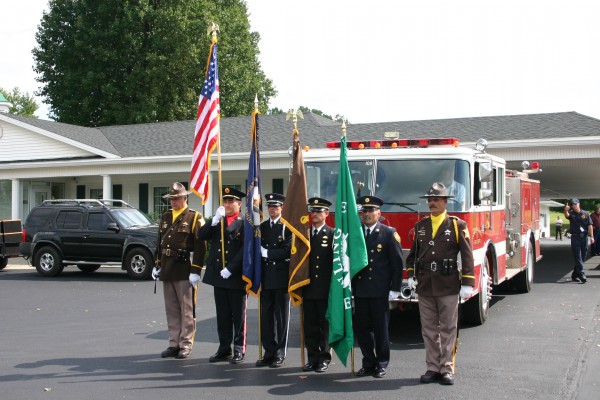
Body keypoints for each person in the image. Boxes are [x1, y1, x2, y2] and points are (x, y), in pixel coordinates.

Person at [406, 182, 475, 385]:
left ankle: (446, 369)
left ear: (445, 202)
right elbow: (412, 256)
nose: (432, 202)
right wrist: (411, 274)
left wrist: (468, 282)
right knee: (428, 329)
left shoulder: (457, 225)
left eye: (436, 199)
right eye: (430, 199)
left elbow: (467, 255)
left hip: (448, 285)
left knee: (447, 328)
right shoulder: (420, 227)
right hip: (426, 286)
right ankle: (432, 367)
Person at [153, 182, 206, 359]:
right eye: (171, 199)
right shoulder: (166, 216)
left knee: (186, 310)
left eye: (176, 199)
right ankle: (173, 343)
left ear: (185, 198)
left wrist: (196, 270)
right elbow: (160, 242)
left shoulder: (194, 217)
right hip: (168, 268)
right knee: (172, 309)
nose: (173, 202)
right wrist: (157, 264)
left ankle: (185, 344)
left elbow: (201, 246)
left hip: (184, 270)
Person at [353, 195, 404, 379]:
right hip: (360, 290)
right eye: (364, 211)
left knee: (380, 329)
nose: (366, 214)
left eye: (370, 210)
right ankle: (368, 362)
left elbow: (397, 264)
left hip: (379, 290)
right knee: (362, 330)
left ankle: (382, 362)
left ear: (379, 213)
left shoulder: (389, 233)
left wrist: (395, 288)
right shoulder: (356, 233)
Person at [197, 187, 247, 364]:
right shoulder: (218, 220)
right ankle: (224, 348)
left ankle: (239, 349)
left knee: (238, 316)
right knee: (223, 314)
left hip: (235, 275)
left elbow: (245, 250)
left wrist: (231, 268)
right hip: (219, 274)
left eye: (230, 201)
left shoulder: (244, 222)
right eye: (225, 201)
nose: (226, 204)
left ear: (239, 204)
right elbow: (200, 235)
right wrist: (214, 219)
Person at [255, 193, 292, 368]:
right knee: (266, 318)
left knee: (281, 317)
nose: (272, 209)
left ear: (282, 208)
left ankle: (280, 353)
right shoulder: (262, 227)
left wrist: (267, 253)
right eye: (270, 206)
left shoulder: (288, 227)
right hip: (266, 278)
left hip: (281, 278)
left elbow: (288, 251)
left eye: (275, 206)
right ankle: (268, 352)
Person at [301, 197, 334, 373]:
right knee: (310, 326)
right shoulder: (304, 234)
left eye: (319, 211)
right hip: (308, 288)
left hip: (325, 289)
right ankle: (312, 357)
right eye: (313, 211)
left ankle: (324, 358)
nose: (314, 214)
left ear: (326, 214)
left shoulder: (333, 234)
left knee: (324, 327)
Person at [564, 199, 594, 283]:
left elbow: (590, 225)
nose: (573, 206)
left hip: (584, 237)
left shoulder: (586, 213)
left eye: (575, 204)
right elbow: (566, 216)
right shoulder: (572, 214)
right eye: (572, 205)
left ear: (579, 204)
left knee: (583, 256)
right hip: (575, 238)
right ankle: (581, 274)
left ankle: (574, 275)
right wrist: (566, 210)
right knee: (578, 256)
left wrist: (592, 236)